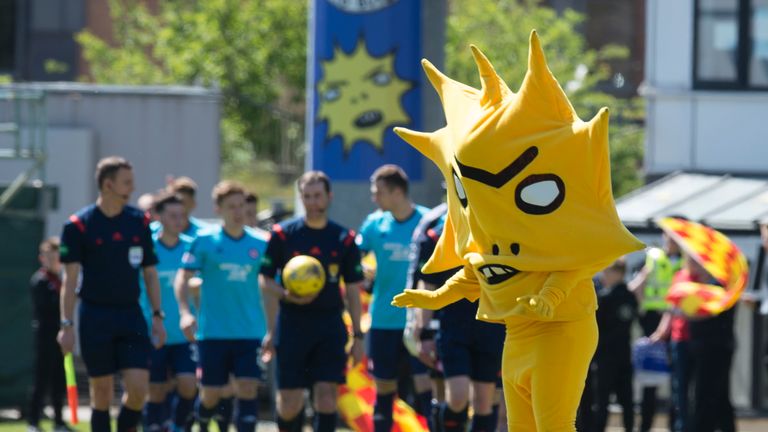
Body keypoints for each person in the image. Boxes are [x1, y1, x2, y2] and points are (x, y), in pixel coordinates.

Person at [58, 156, 167, 432]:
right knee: (102, 392)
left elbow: (150, 274)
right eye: (126, 182)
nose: (133, 187)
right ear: (108, 185)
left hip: (131, 315)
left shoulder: (138, 222)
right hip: (95, 316)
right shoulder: (78, 226)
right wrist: (66, 325)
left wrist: (157, 315)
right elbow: (69, 281)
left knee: (139, 388)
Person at [259, 171, 365, 432]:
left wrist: (358, 336)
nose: (312, 202)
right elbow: (265, 280)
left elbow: (353, 289)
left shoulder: (344, 238)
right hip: (292, 323)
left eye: (317, 196)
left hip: (329, 324)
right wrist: (286, 296)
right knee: (290, 402)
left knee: (327, 396)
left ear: (329, 197)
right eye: (306, 196)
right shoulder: (283, 234)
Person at [174, 180, 269, 432]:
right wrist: (185, 313)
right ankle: (203, 423)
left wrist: (272, 327)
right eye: (231, 207)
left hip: (250, 331)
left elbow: (270, 285)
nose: (238, 212)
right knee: (211, 394)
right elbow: (182, 278)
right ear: (218, 209)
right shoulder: (203, 240)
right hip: (212, 332)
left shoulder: (261, 242)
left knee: (247, 388)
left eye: (242, 206)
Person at [408, 203, 504, 432]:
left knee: (484, 402)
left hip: (491, 327)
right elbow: (428, 284)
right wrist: (424, 331)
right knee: (458, 398)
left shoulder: (501, 231)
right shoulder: (439, 234)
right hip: (453, 328)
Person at [355, 165, 431, 432]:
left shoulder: (427, 221)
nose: (374, 198)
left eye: (379, 192)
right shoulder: (374, 224)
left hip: (418, 322)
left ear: (397, 192)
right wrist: (362, 271)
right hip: (383, 320)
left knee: (426, 387)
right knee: (384, 388)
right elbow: (354, 258)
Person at [139, 193, 198, 432]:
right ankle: (153, 425)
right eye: (172, 215)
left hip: (184, 334)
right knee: (155, 389)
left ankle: (177, 425)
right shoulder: (147, 247)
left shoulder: (191, 247)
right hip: (154, 331)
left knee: (188, 384)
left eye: (182, 215)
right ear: (159, 217)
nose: (178, 220)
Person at [628, 229, 681, 431]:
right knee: (651, 376)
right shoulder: (655, 258)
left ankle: (675, 425)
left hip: (674, 320)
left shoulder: (684, 261)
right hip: (652, 321)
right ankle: (646, 426)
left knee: (676, 379)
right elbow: (636, 286)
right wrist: (643, 307)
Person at [27, 238, 71, 432]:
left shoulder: (61, 280)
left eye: (57, 257)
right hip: (45, 336)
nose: (54, 261)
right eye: (50, 257)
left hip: (60, 338)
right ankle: (33, 422)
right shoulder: (40, 280)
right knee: (41, 380)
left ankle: (59, 422)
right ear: (42, 258)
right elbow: (47, 307)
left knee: (59, 380)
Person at [593, 258, 637, 432]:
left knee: (601, 400)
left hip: (605, 355)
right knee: (627, 400)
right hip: (624, 354)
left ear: (617, 273)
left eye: (607, 271)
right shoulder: (630, 297)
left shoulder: (605, 298)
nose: (604, 275)